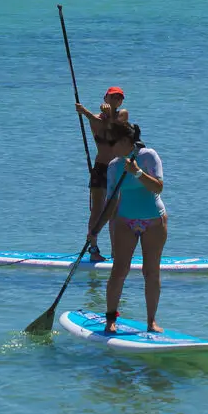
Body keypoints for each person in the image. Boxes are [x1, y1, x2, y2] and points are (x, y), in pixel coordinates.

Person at [100, 120, 167, 334]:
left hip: (154, 221)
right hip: (125, 221)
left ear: (126, 141)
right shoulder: (113, 166)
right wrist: (95, 230)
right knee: (119, 270)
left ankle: (151, 322)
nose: (110, 147)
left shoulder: (148, 156)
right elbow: (110, 202)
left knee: (151, 272)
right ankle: (110, 319)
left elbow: (158, 187)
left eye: (113, 142)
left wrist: (137, 172)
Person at [74, 86, 129, 261]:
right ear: (105, 98)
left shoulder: (123, 114)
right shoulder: (95, 120)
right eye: (113, 97)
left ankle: (116, 252)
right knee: (97, 210)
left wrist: (86, 112)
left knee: (116, 211)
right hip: (100, 168)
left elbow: (114, 129)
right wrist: (86, 114)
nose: (116, 101)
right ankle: (94, 250)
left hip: (116, 168)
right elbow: (101, 129)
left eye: (119, 98)